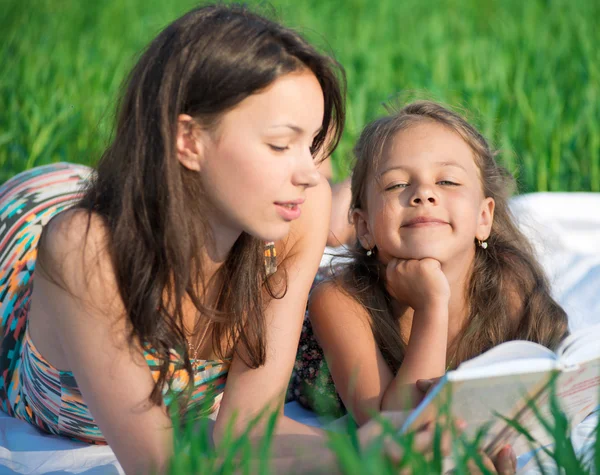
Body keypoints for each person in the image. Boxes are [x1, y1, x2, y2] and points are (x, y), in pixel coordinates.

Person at [288, 101, 569, 432]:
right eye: (396, 184)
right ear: (364, 228)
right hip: (330, 296)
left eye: (447, 181)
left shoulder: (507, 285)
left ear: (484, 217)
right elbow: (393, 429)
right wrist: (431, 307)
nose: (424, 194)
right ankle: (334, 181)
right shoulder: (338, 299)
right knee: (324, 222)